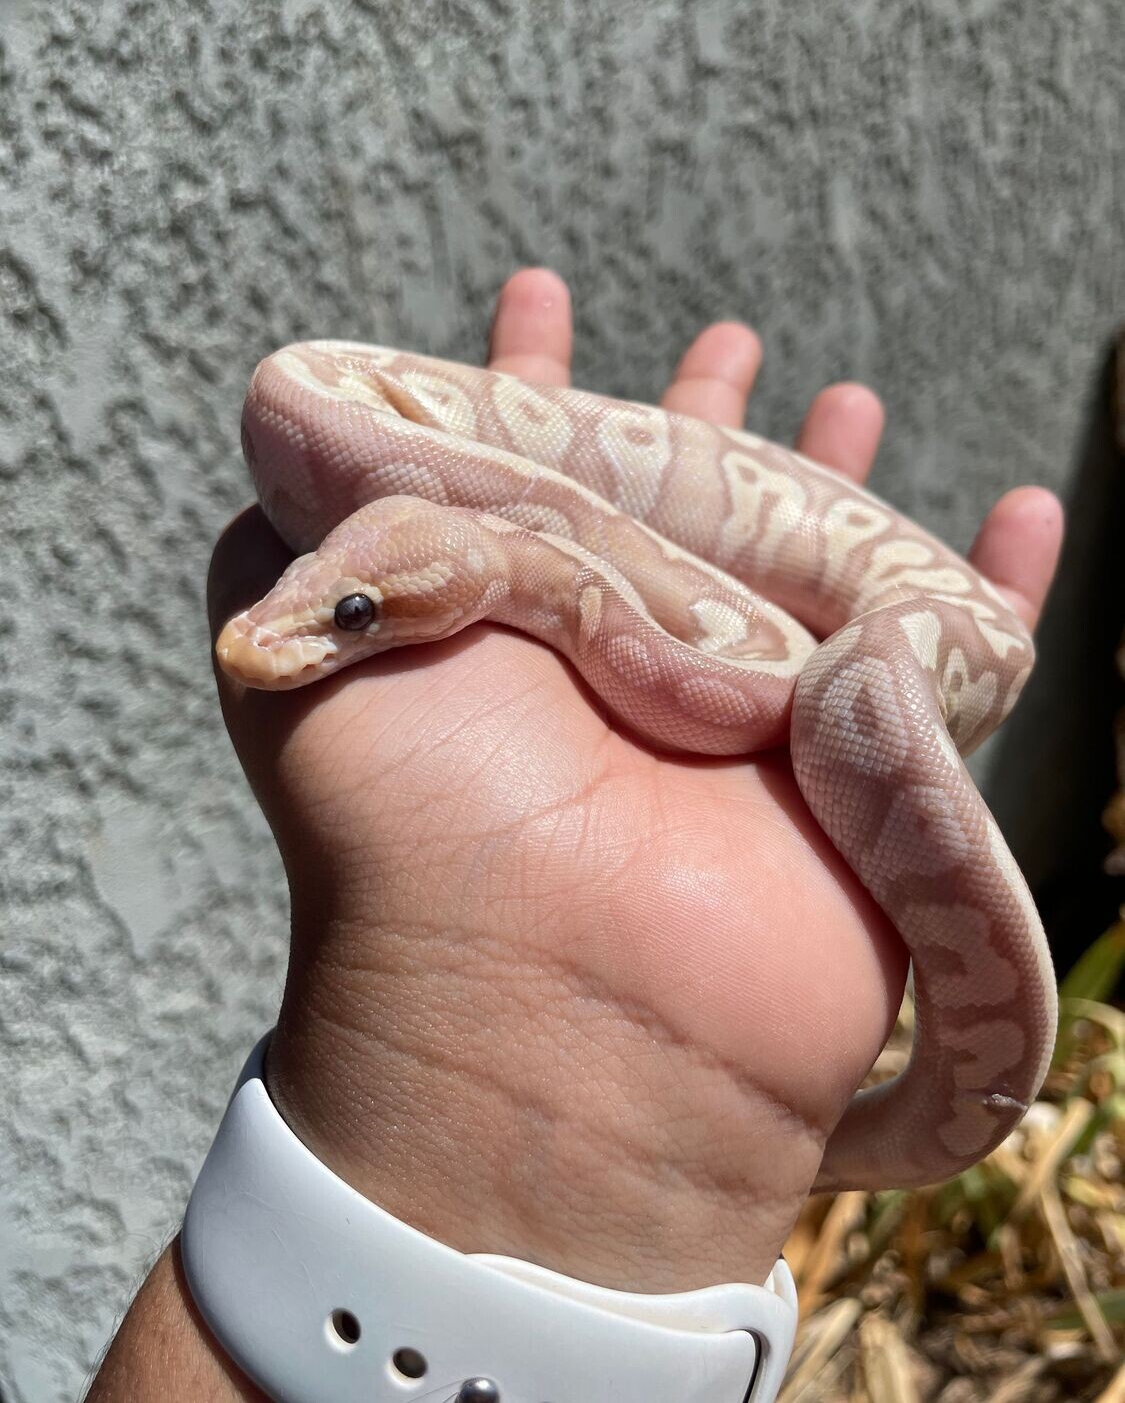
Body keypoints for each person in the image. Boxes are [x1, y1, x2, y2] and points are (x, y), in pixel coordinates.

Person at [88, 268, 1063, 1399]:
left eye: (351, 615)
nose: (272, 640)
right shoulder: (492, 554)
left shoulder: (751, 660)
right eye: (327, 592)